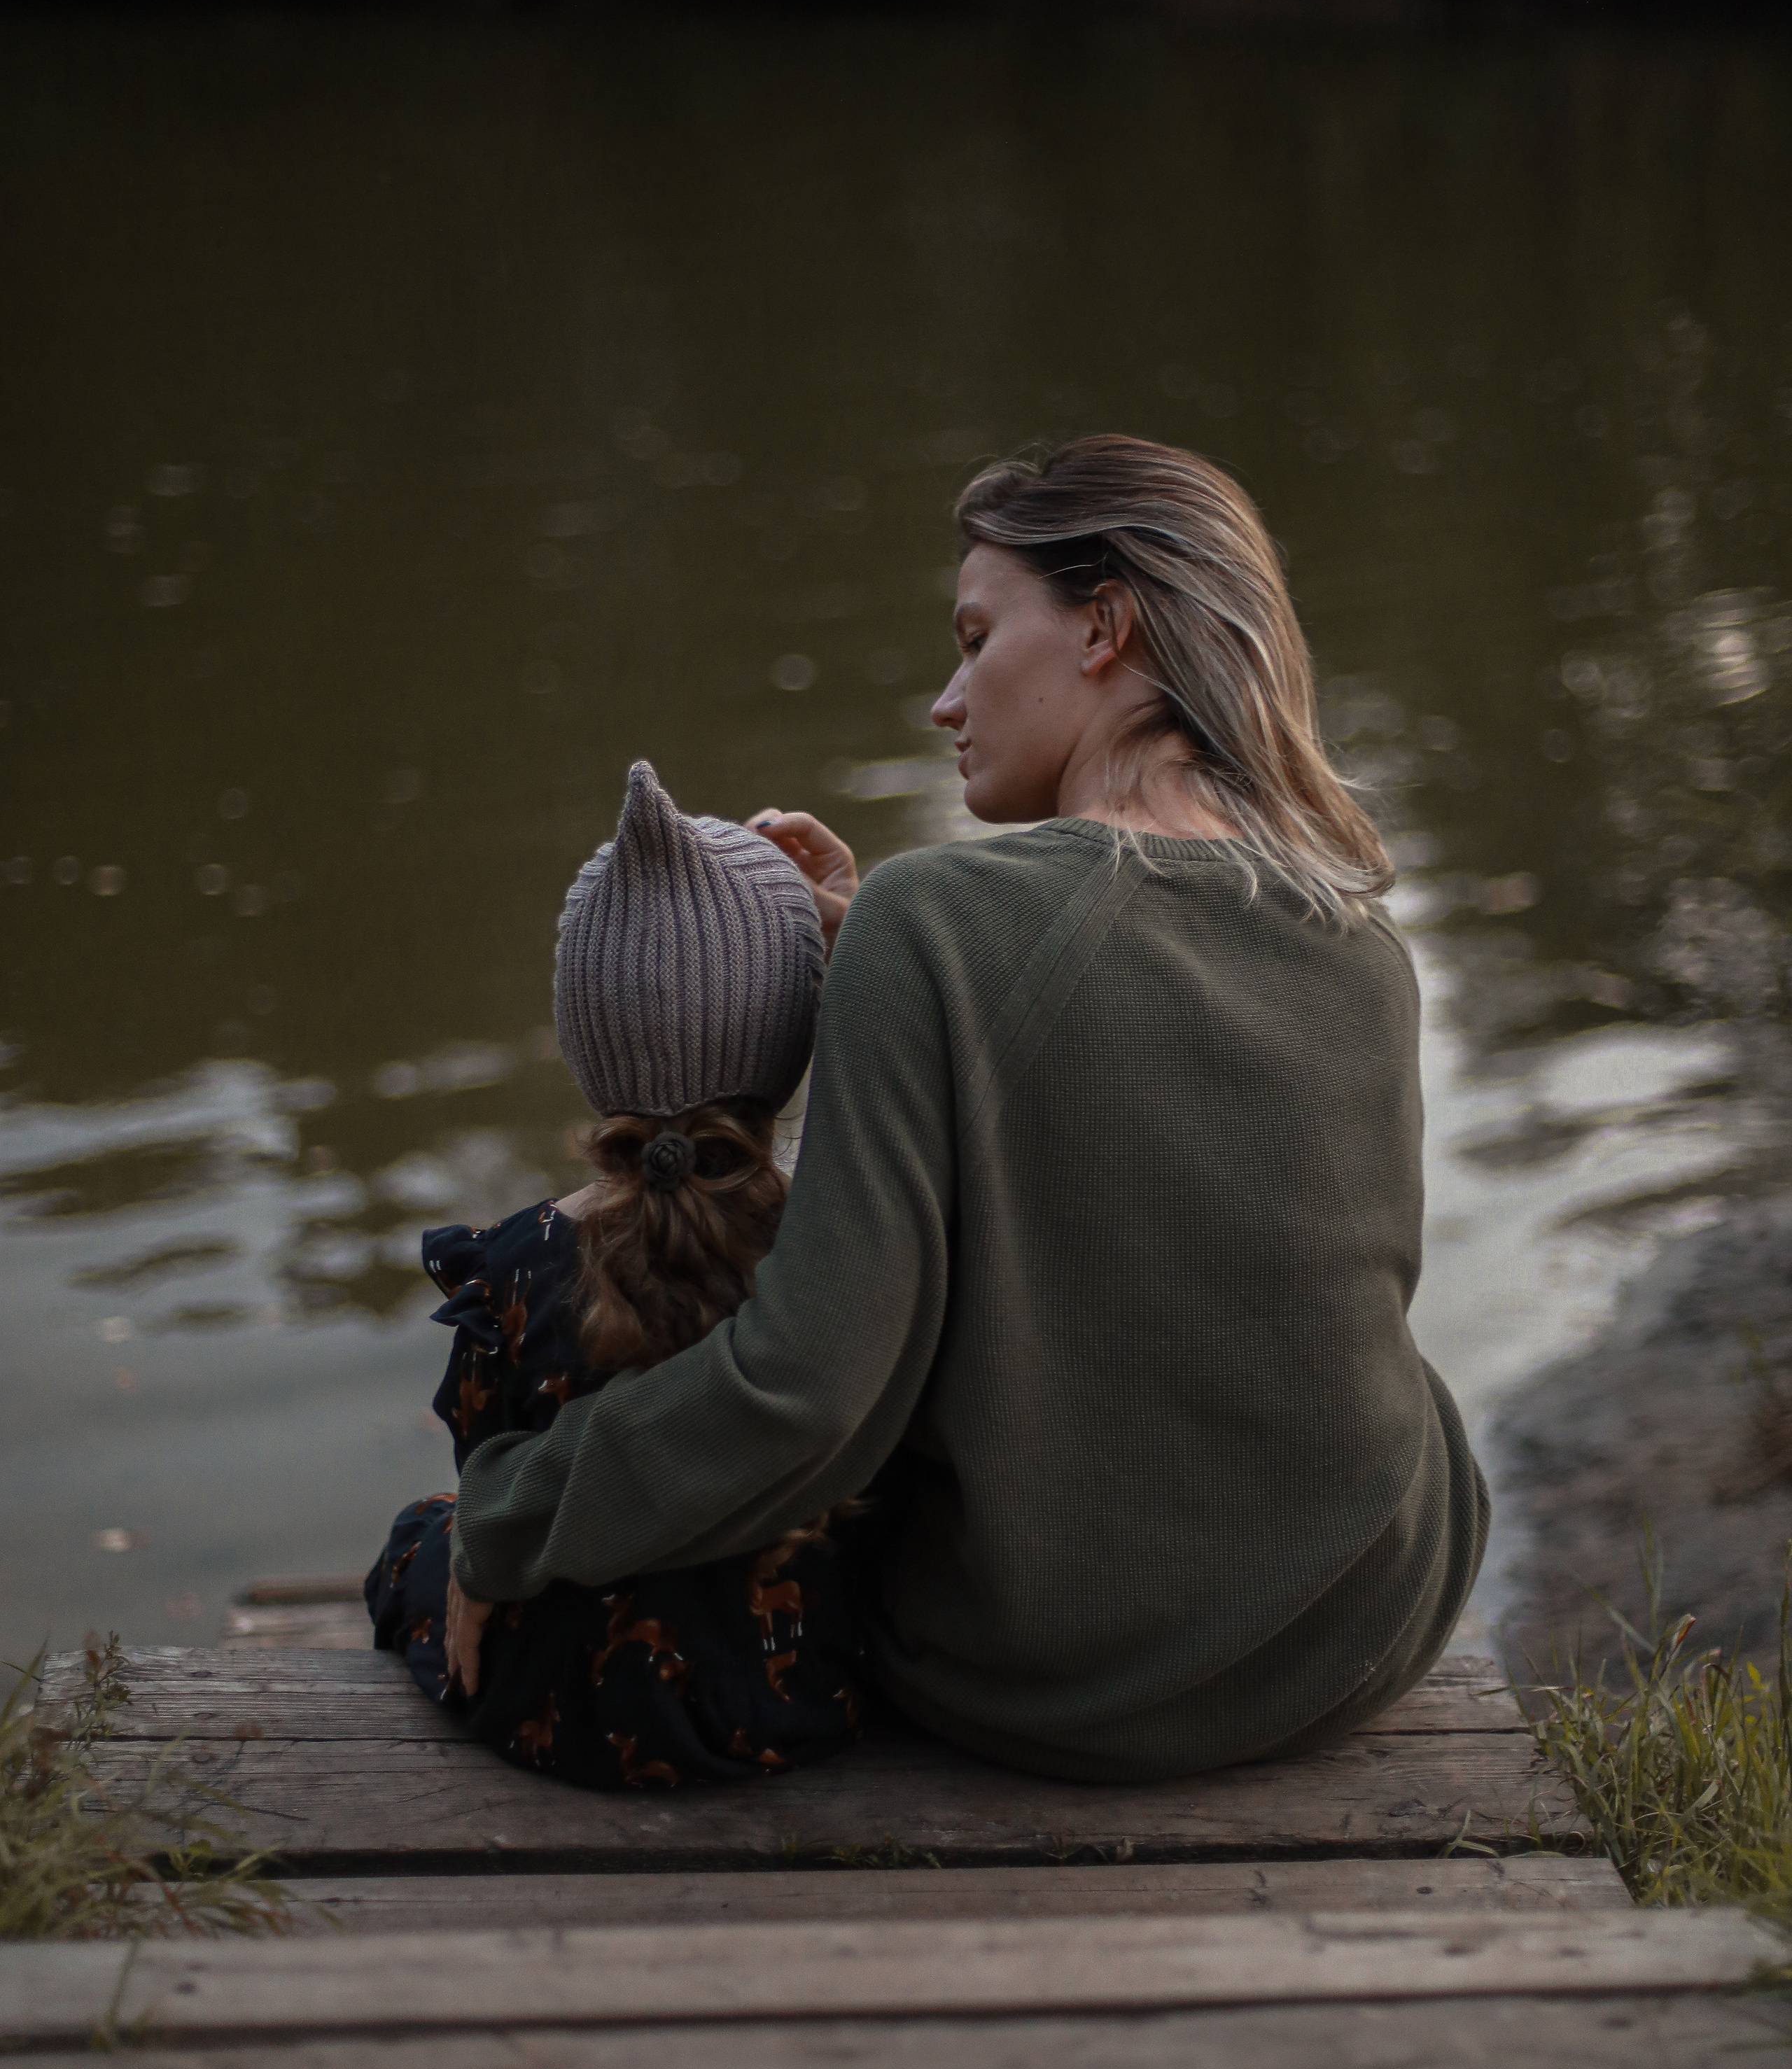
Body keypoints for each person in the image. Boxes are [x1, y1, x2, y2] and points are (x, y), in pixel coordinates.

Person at [444, 435, 1490, 1783]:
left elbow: (807, 1396)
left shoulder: (934, 921)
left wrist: (510, 1512)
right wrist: (881, 947)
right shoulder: (1356, 937)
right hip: (1369, 1623)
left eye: (978, 634)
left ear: (1106, 626)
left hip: (1063, 1684)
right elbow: (1140, 1074)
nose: (947, 698)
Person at [365, 761, 864, 1788]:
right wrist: (857, 969)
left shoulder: (515, 1264)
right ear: (795, 1036)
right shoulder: (845, 1243)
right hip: (802, 1691)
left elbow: (481, 1449)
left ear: (583, 1041)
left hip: (574, 1716)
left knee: (423, 1534)